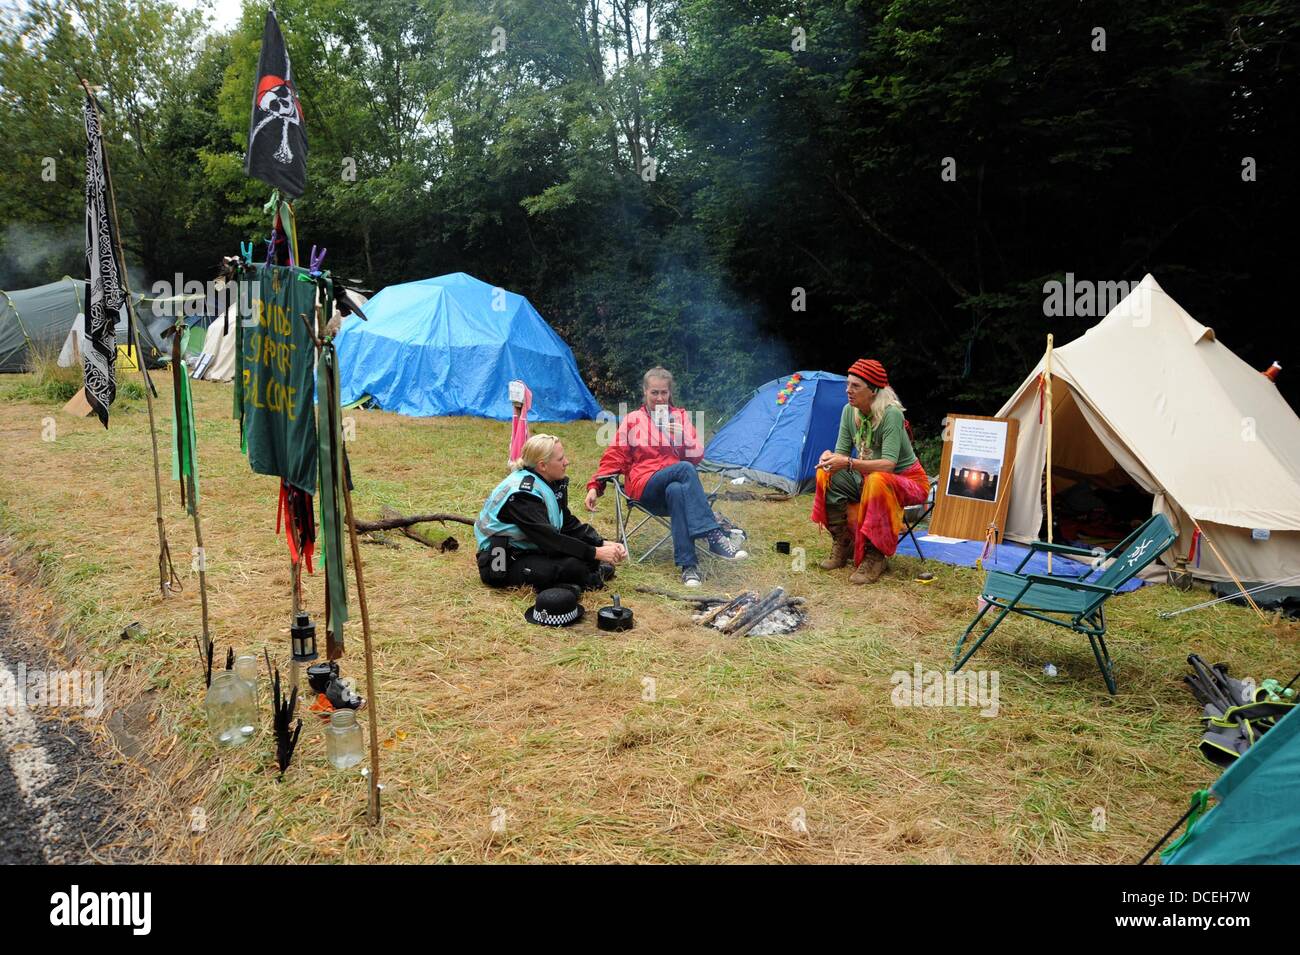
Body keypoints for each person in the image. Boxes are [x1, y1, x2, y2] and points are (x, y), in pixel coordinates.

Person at [585, 367, 746, 588]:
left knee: (677, 490)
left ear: (670, 393)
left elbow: (697, 456)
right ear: (645, 392)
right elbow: (615, 455)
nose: (660, 398)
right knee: (684, 469)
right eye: (655, 393)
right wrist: (595, 486)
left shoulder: (680, 417)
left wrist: (682, 438)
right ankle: (713, 535)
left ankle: (688, 568)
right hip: (644, 487)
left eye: (664, 393)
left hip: (673, 492)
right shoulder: (633, 419)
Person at [812, 358, 929, 584]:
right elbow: (841, 454)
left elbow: (888, 465)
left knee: (877, 479)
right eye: (848, 385)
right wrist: (830, 459)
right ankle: (843, 541)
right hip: (869, 478)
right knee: (826, 473)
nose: (848, 390)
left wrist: (848, 463)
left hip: (908, 481)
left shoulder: (891, 414)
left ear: (874, 391)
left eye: (855, 386)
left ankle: (876, 555)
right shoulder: (849, 411)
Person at [476, 434, 627, 591]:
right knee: (574, 566)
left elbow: (566, 523)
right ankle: (587, 579)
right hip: (502, 559)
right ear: (542, 466)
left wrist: (600, 542)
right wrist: (596, 552)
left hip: (529, 547)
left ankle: (580, 577)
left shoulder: (548, 482)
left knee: (582, 557)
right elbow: (551, 541)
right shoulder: (522, 496)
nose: (566, 462)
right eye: (560, 459)